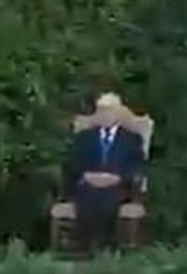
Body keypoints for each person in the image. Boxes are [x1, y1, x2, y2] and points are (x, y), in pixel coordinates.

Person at [63, 93, 146, 254]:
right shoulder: (84, 137)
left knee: (108, 199)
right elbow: (73, 162)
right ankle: (84, 247)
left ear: (118, 113)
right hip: (88, 183)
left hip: (119, 185)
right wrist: (86, 175)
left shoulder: (132, 139)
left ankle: (107, 245)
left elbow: (137, 165)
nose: (104, 115)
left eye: (109, 111)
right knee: (87, 197)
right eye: (101, 111)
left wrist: (118, 178)